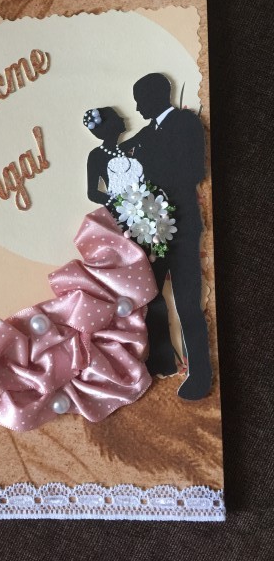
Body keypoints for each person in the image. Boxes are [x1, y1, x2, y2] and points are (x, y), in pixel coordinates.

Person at [119, 73, 212, 400]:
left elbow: (195, 171)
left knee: (188, 301)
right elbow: (122, 153)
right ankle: (161, 362)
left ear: (156, 95)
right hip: (151, 228)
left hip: (182, 226)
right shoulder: (147, 133)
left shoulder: (186, 123)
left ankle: (200, 375)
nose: (137, 107)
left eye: (139, 100)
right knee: (151, 295)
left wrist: (154, 179)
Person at [85, 107, 144, 206]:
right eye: (117, 117)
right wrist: (120, 205)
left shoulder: (128, 147)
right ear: (109, 125)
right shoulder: (96, 156)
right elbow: (93, 193)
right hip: (123, 210)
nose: (122, 118)